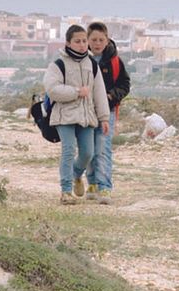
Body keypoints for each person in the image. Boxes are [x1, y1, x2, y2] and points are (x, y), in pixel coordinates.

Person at [44, 24, 109, 205]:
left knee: (88, 153)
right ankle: (66, 190)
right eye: (77, 41)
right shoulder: (58, 65)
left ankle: (75, 174)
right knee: (68, 150)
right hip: (64, 116)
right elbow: (52, 89)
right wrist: (75, 92)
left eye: (83, 41)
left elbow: (99, 93)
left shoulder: (92, 65)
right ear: (68, 43)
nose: (81, 45)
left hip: (86, 116)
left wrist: (103, 118)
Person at [84, 21, 130, 204]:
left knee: (103, 148)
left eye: (100, 39)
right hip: (85, 111)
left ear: (107, 39)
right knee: (88, 149)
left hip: (107, 112)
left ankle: (104, 187)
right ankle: (92, 183)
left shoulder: (115, 61)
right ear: (87, 40)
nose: (97, 43)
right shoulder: (81, 59)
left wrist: (111, 96)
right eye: (93, 39)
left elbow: (125, 85)